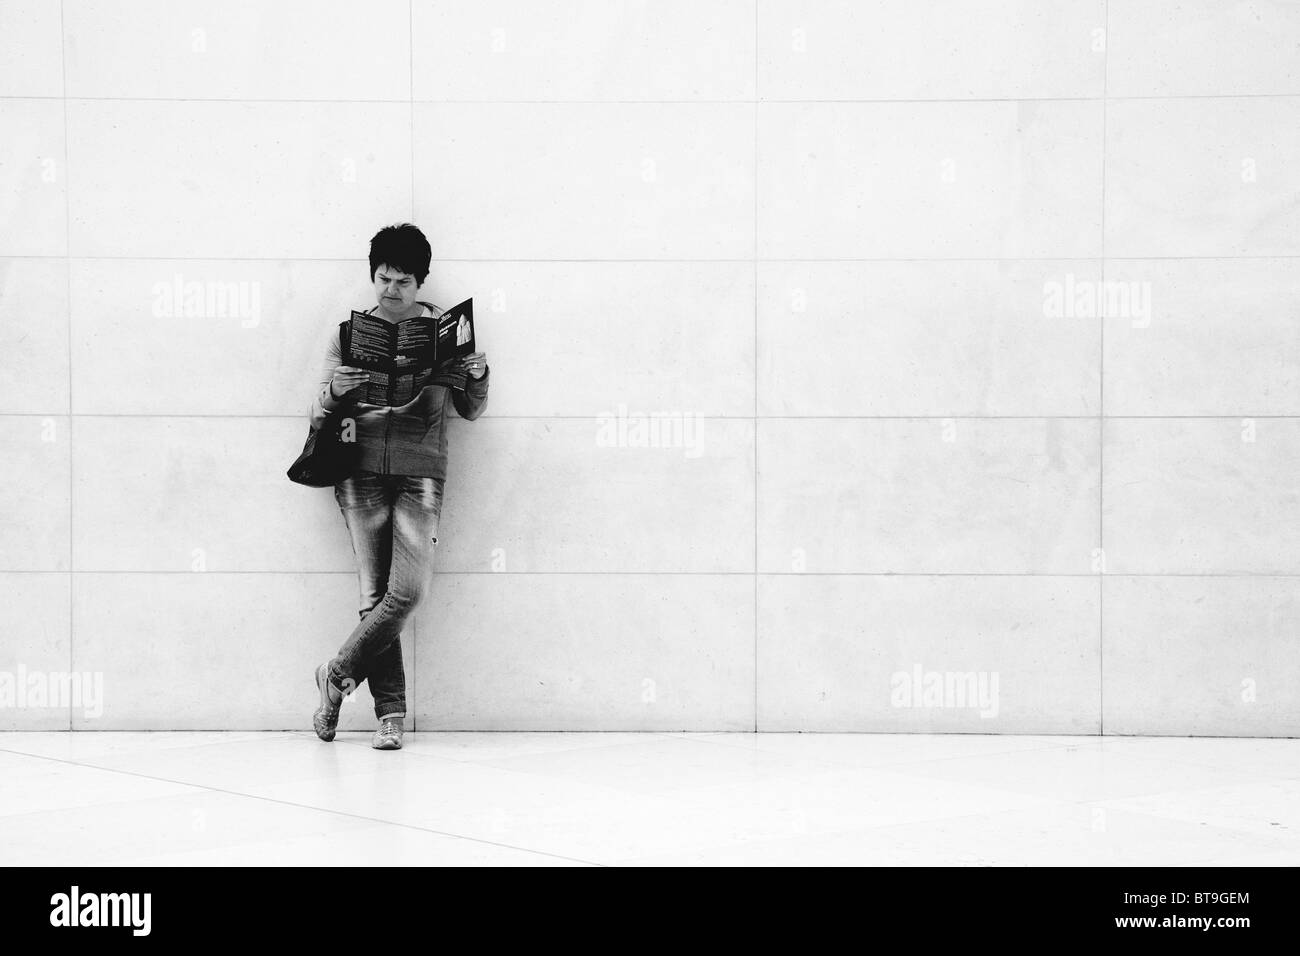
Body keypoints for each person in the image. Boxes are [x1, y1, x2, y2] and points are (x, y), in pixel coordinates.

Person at [308, 223, 489, 750]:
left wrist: (476, 377)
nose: (391, 290)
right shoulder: (348, 334)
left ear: (421, 281)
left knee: (407, 592)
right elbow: (316, 409)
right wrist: (333, 394)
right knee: (374, 594)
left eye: (403, 282)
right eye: (383, 279)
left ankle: (337, 674)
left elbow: (470, 409)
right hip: (358, 470)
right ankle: (391, 716)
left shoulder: (445, 332)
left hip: (420, 470)